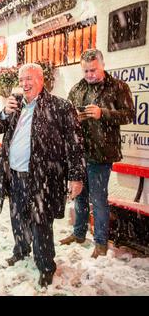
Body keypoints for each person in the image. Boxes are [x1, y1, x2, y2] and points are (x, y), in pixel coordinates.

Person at [0, 63, 85, 287]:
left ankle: (45, 265)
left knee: (41, 221)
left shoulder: (60, 107)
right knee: (18, 216)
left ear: (41, 80)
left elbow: (75, 145)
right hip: (15, 174)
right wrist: (4, 113)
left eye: (29, 78)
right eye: (21, 79)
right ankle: (21, 249)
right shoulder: (15, 106)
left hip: (43, 177)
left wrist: (76, 176)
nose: (24, 83)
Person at [60, 49, 135, 258]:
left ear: (102, 65)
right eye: (85, 71)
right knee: (80, 195)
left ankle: (101, 243)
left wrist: (103, 113)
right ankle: (79, 233)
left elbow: (129, 115)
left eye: (93, 70)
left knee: (99, 199)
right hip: (79, 152)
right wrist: (75, 117)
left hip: (102, 153)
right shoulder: (77, 88)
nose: (89, 74)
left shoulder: (119, 87)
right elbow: (67, 115)